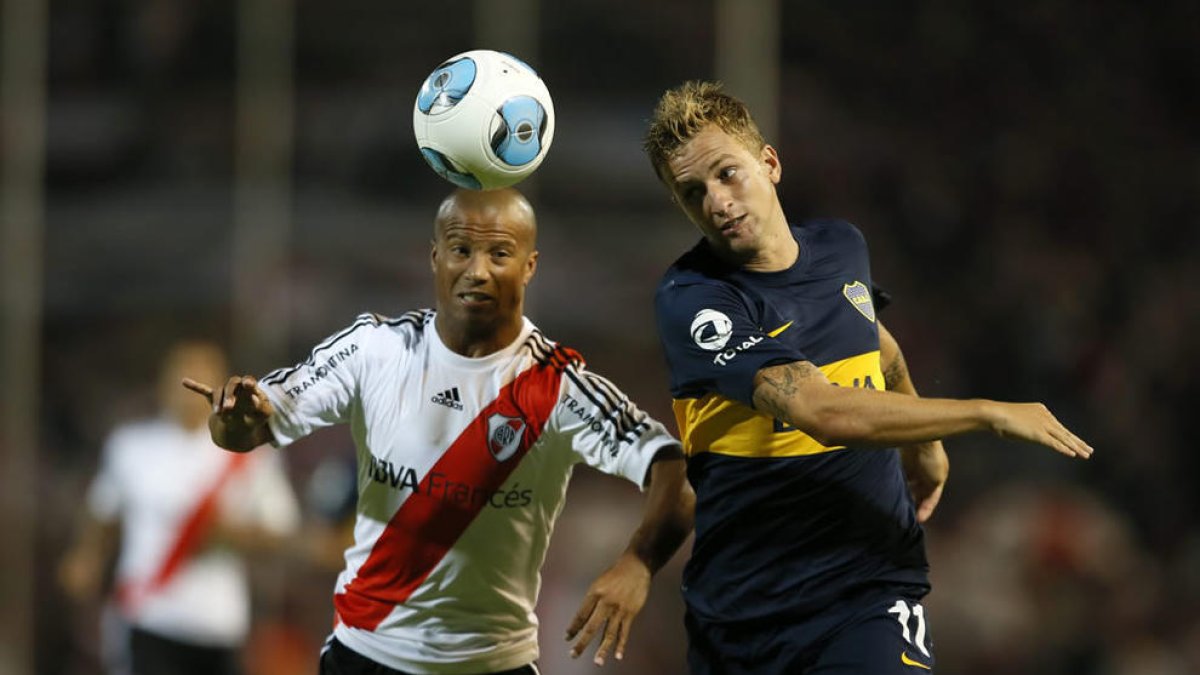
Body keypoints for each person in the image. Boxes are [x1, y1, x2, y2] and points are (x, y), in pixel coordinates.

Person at [642, 80, 1093, 675]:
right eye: (693, 192)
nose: (718, 202)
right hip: (743, 619)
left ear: (770, 163)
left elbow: (874, 341)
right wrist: (985, 412)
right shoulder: (694, 301)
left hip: (867, 592)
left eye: (727, 174)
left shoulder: (841, 246)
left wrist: (923, 443)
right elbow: (819, 411)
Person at [182, 187, 695, 675]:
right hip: (365, 653)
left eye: (499, 254)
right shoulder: (375, 350)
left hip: (490, 662)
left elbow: (674, 473)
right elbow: (249, 427)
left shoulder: (557, 386)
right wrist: (231, 420)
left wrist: (638, 562)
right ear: (435, 257)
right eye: (461, 250)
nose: (478, 271)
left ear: (530, 266)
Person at [59, 339, 302, 675]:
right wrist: (87, 557)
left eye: (202, 374)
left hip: (219, 622)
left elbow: (282, 530)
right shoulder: (131, 446)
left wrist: (235, 536)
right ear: (162, 382)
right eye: (182, 375)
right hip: (149, 617)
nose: (190, 387)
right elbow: (103, 512)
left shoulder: (250, 451)